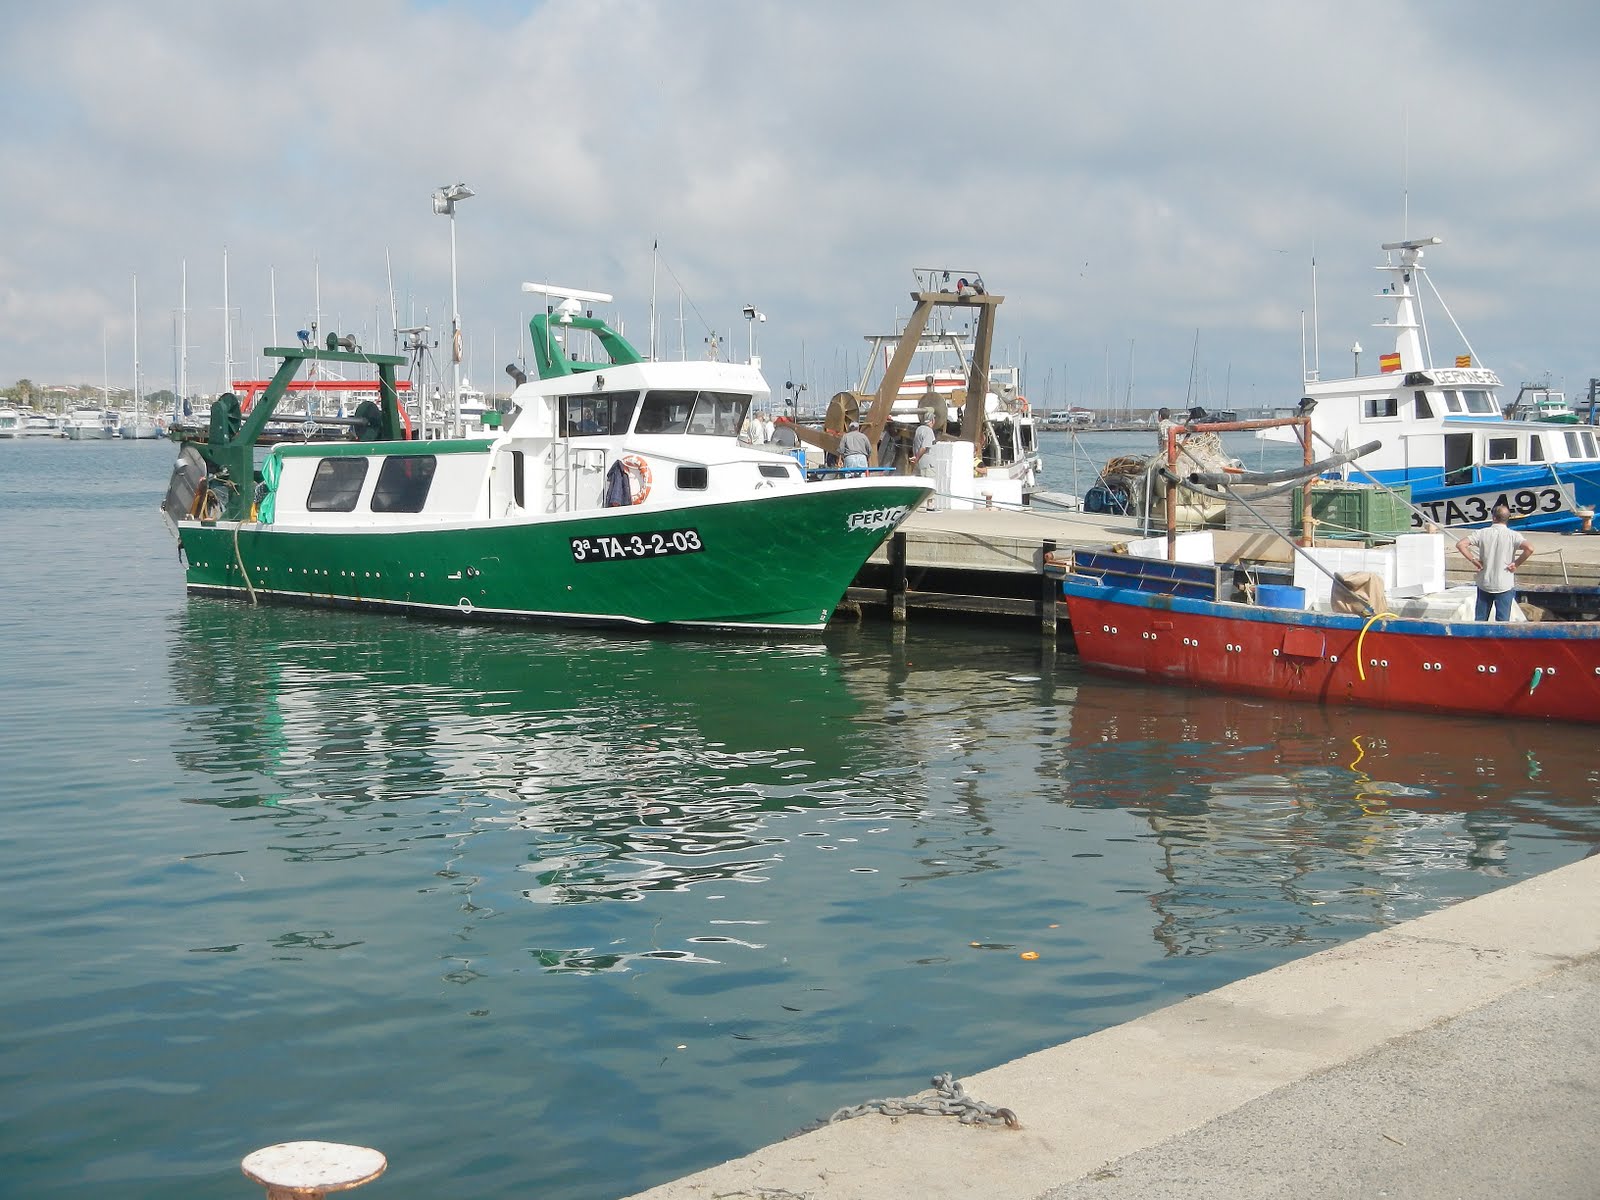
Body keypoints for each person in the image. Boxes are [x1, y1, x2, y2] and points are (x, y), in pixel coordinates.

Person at [1456, 505, 1534, 621]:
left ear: (1493, 518)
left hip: (1485, 582)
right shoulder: (1513, 535)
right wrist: (1516, 564)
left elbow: (1461, 544)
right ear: (1507, 519)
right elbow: (1530, 548)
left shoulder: (1482, 533)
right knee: (1503, 621)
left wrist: (1474, 560)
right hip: (1504, 583)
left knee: (1480, 620)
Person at [911, 412, 938, 477]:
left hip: (919, 464)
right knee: (929, 482)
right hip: (927, 466)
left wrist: (916, 459)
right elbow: (924, 447)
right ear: (932, 420)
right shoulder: (928, 431)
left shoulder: (919, 429)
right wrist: (917, 458)